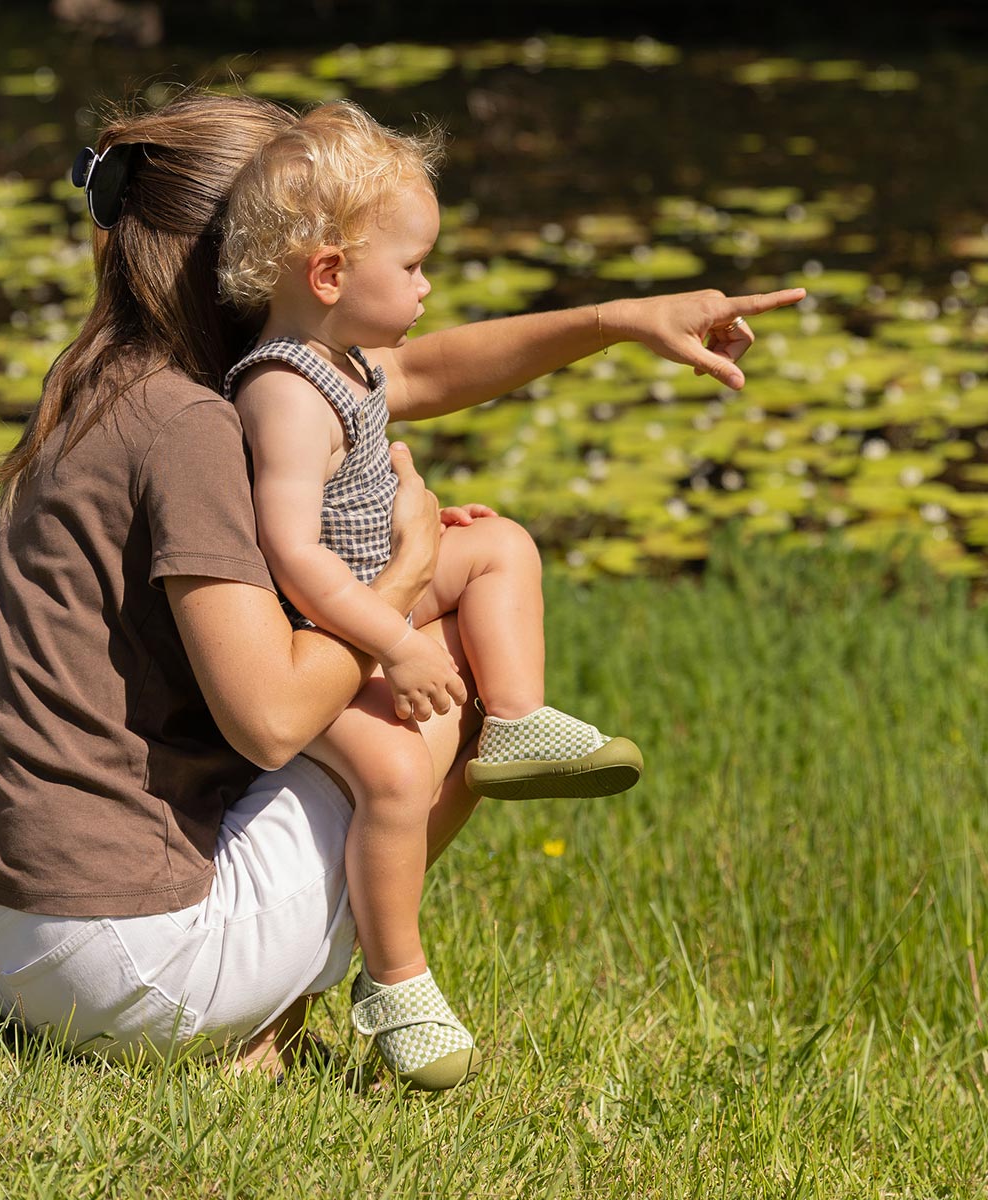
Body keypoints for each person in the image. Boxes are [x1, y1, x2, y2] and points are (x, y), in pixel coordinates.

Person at [0, 87, 804, 1087]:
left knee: (428, 644)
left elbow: (410, 375)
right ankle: (307, 1008)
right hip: (124, 964)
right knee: (460, 673)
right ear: (276, 260)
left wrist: (619, 319)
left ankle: (276, 992)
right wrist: (407, 574)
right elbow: (269, 721)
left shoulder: (107, 377)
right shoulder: (191, 427)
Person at [217, 101, 650, 1090]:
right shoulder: (283, 394)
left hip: (378, 591)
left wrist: (411, 526)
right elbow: (292, 556)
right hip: (318, 637)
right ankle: (395, 981)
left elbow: (361, 489)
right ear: (330, 274)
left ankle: (518, 722)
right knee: (396, 774)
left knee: (501, 546)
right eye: (412, 267)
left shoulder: (345, 360)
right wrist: (396, 642)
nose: (426, 286)